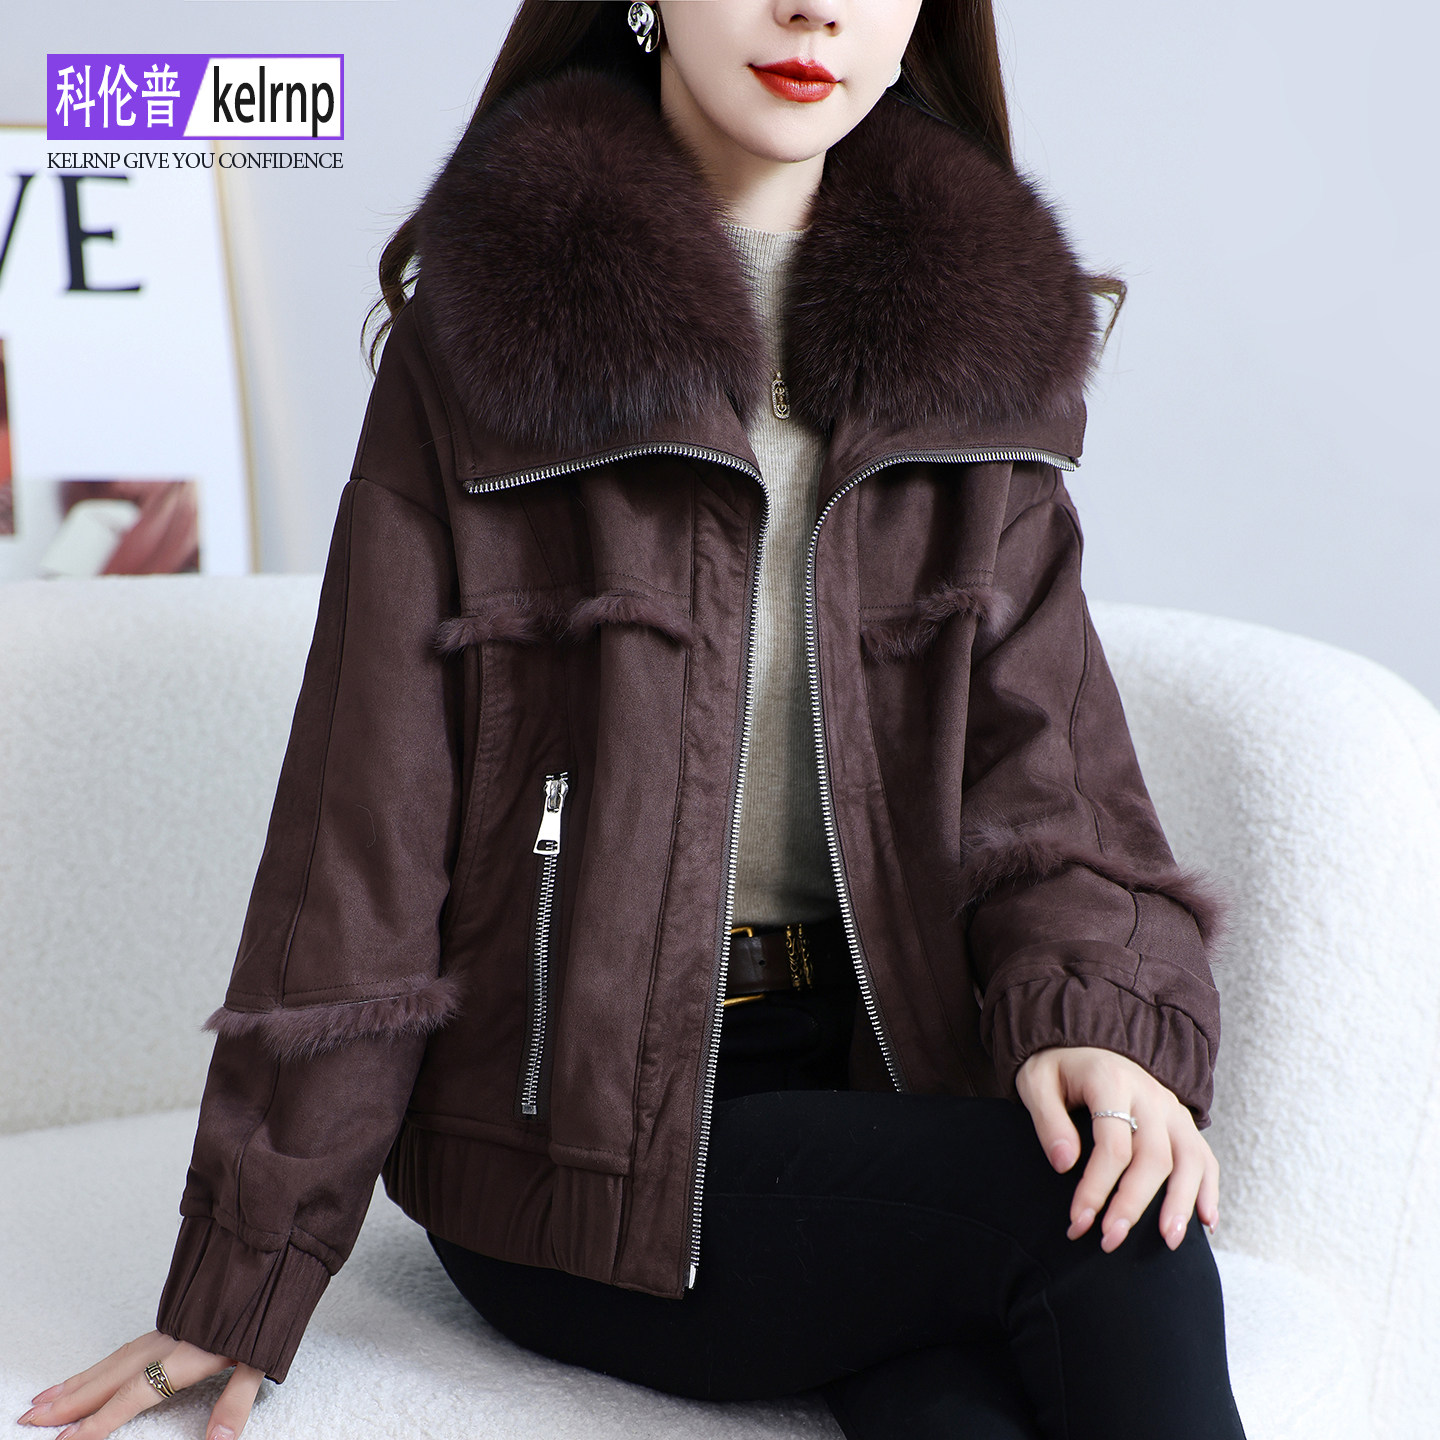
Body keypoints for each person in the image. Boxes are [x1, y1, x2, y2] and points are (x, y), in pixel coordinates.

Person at [18, 3, 1247, 1437]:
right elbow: (365, 829)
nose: (816, 8)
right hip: (565, 1141)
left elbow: (1053, 782)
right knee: (1096, 1230)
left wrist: (1098, 1023)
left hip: (877, 1088)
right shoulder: (492, 332)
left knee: (976, 1382)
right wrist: (244, 1271)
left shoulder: (976, 352)